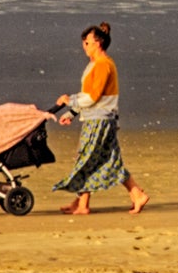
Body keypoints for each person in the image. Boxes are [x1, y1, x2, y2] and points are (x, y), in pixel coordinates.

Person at [52, 23, 149, 215]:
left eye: (87, 42)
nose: (84, 46)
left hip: (100, 120)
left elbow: (92, 97)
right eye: (84, 43)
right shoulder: (94, 65)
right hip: (98, 118)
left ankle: (83, 204)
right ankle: (134, 194)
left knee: (87, 157)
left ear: (99, 43)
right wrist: (72, 113)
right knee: (107, 160)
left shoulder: (104, 65)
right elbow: (88, 94)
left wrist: (69, 100)